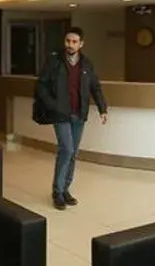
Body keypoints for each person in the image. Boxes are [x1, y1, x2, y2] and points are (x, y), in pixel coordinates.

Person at [35, 27, 108, 210]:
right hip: (60, 114)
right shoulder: (54, 61)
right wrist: (52, 104)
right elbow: (41, 85)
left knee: (73, 153)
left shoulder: (87, 64)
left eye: (74, 42)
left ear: (81, 44)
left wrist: (103, 108)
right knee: (66, 149)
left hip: (79, 114)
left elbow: (95, 87)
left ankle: (65, 189)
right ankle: (57, 191)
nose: (70, 44)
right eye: (68, 41)